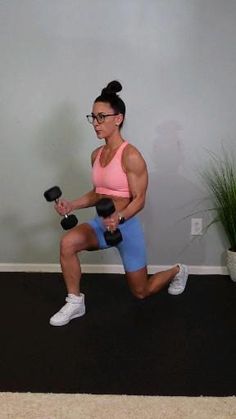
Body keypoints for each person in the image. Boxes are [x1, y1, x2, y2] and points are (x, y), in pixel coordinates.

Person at [50, 80, 188, 326]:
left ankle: (178, 270)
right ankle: (75, 301)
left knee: (141, 291)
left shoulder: (131, 156)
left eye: (102, 117)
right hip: (102, 224)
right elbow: (97, 194)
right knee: (67, 243)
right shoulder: (97, 155)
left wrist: (120, 217)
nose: (96, 123)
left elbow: (140, 200)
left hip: (126, 227)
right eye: (93, 117)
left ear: (119, 118)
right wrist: (72, 205)